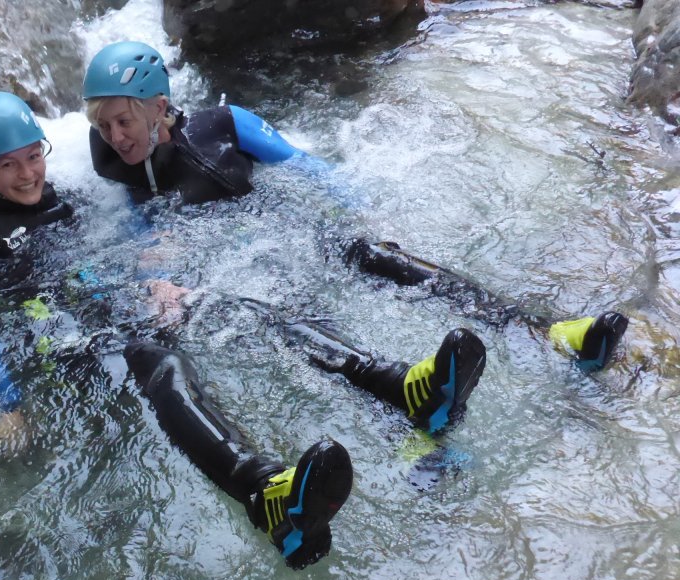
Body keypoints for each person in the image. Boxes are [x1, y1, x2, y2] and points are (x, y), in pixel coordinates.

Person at [0, 91, 354, 570]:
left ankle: (297, 504)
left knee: (232, 317)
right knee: (166, 366)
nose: (28, 174)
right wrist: (7, 404)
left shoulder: (68, 200)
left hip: (106, 308)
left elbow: (122, 245)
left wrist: (155, 279)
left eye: (34, 157)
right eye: (8, 166)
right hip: (57, 338)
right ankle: (260, 487)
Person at [81, 41, 628, 374]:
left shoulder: (222, 125)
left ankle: (547, 330)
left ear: (157, 107)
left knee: (377, 257)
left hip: (281, 225)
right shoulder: (115, 161)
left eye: (123, 121)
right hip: (241, 261)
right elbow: (143, 225)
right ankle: (411, 413)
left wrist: (369, 207)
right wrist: (162, 276)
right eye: (103, 126)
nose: (115, 136)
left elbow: (306, 166)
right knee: (312, 329)